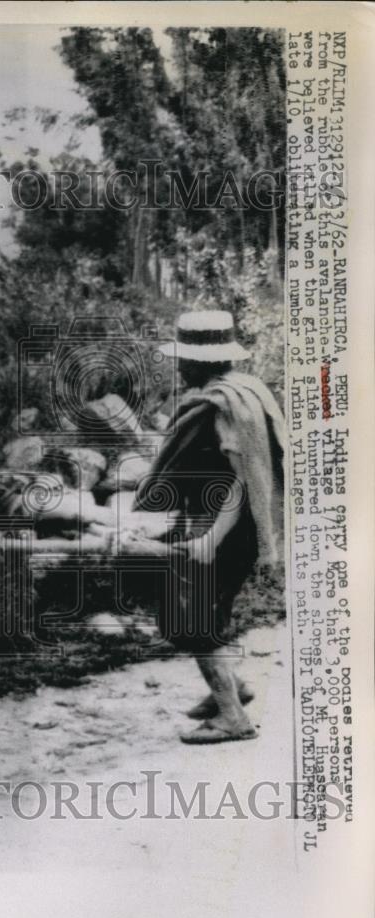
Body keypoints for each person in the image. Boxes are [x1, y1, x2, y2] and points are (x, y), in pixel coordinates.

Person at [133, 310, 285, 744]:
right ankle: (234, 688)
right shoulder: (246, 389)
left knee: (192, 615)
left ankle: (233, 717)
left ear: (200, 361)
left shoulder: (220, 405)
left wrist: (210, 538)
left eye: (183, 359)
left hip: (223, 527)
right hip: (224, 523)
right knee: (202, 609)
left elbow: (241, 479)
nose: (178, 366)